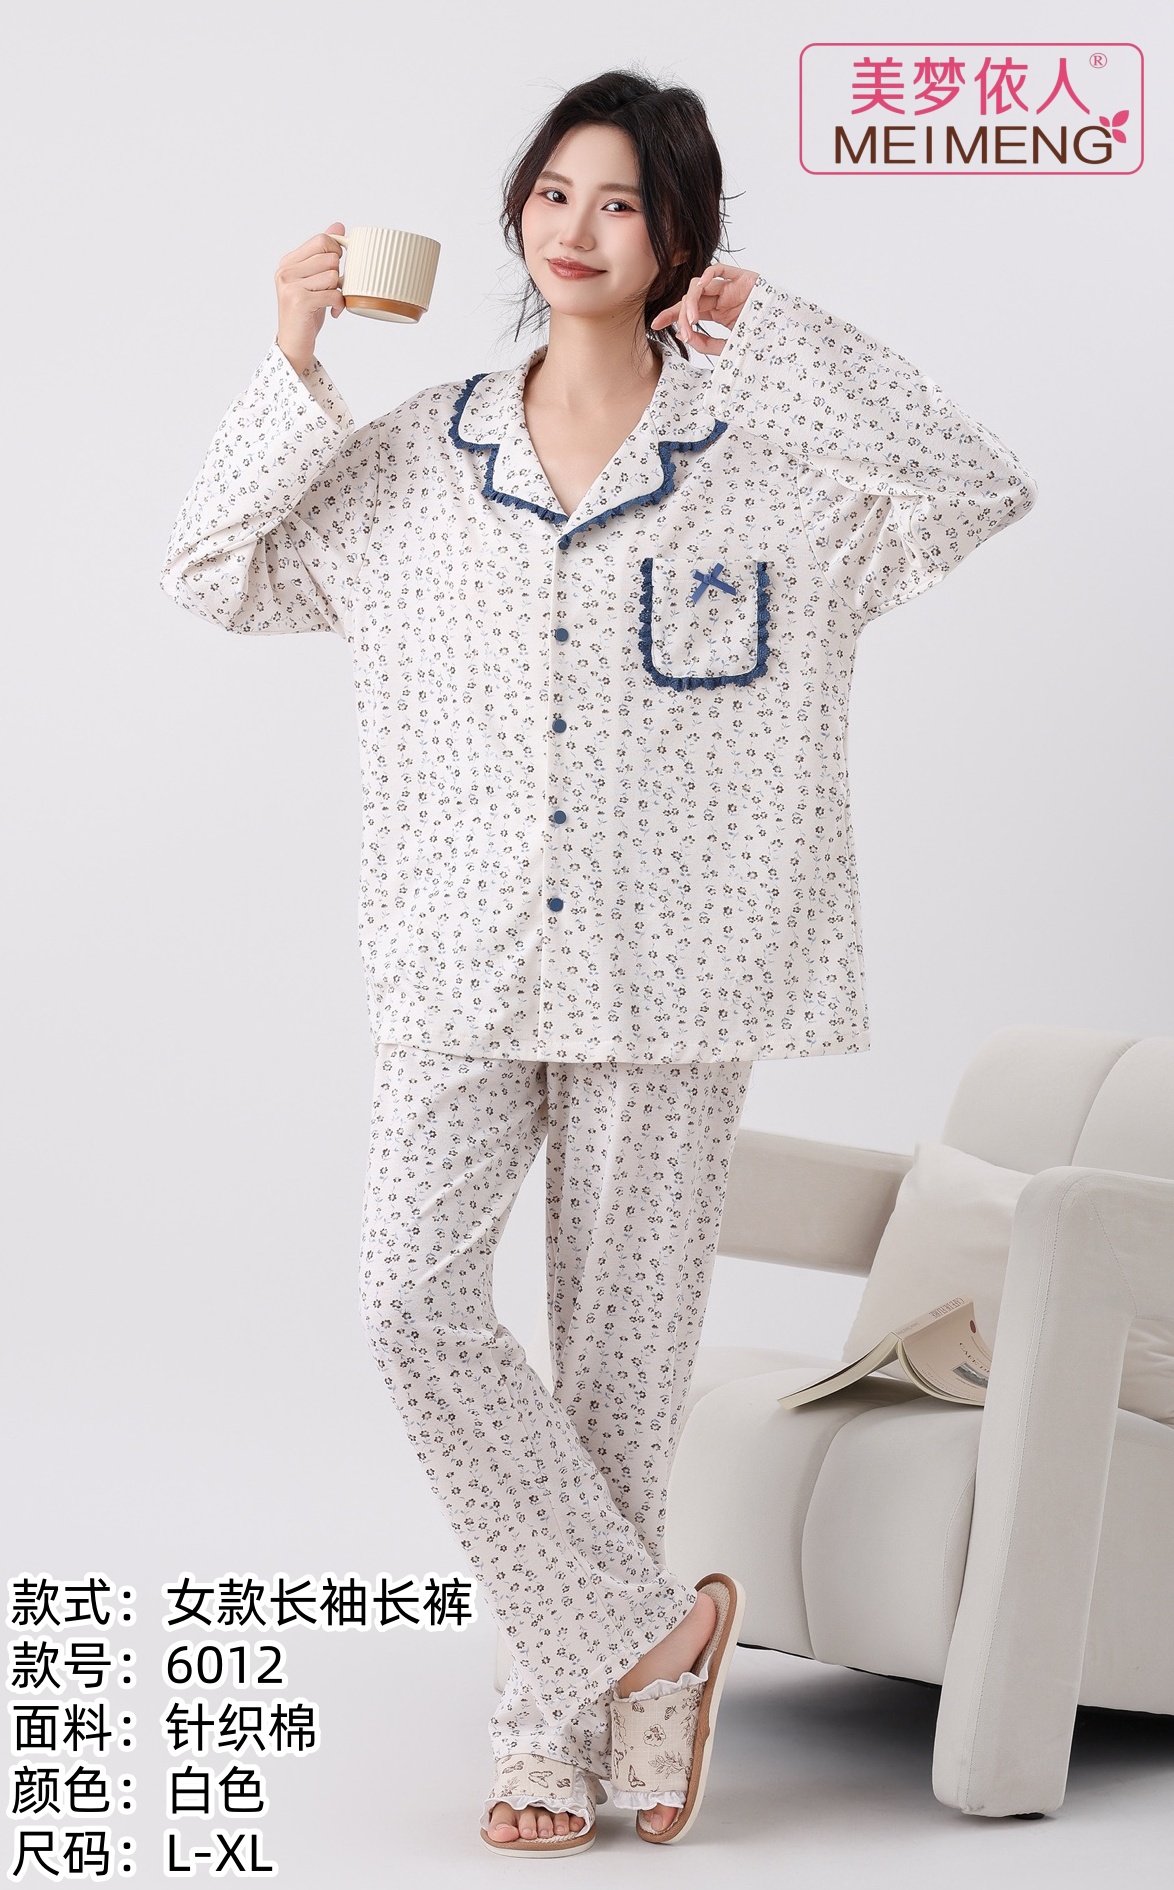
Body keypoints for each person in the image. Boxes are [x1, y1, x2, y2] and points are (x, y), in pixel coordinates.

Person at [160, 66, 1037, 1855]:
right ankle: (650, 1638)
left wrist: (775, 337)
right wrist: (295, 363)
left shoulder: (771, 466)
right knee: (409, 1302)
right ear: (515, 214)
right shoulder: (413, 459)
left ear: (679, 238)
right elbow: (215, 571)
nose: (575, 228)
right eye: (553, 192)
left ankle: (560, 1735)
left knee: (619, 1367)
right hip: (461, 957)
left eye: (620, 201)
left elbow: (976, 483)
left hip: (678, 972)